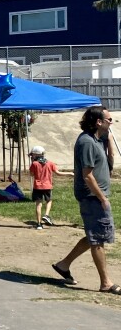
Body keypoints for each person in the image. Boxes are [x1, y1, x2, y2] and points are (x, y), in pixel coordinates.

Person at [52, 106, 120, 294]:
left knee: (94, 235)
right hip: (92, 196)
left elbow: (110, 164)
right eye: (108, 120)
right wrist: (101, 198)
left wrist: (110, 142)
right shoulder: (87, 142)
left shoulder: (98, 140)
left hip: (98, 196)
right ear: (98, 122)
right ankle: (106, 283)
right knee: (98, 239)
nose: (111, 123)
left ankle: (63, 265)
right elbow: (87, 176)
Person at [29, 145, 72, 230]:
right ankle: (46, 215)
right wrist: (70, 173)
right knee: (49, 200)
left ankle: (38, 224)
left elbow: (31, 174)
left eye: (32, 155)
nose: (32, 156)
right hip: (47, 186)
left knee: (38, 204)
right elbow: (58, 173)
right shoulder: (50, 163)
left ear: (36, 155)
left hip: (37, 186)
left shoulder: (34, 164)